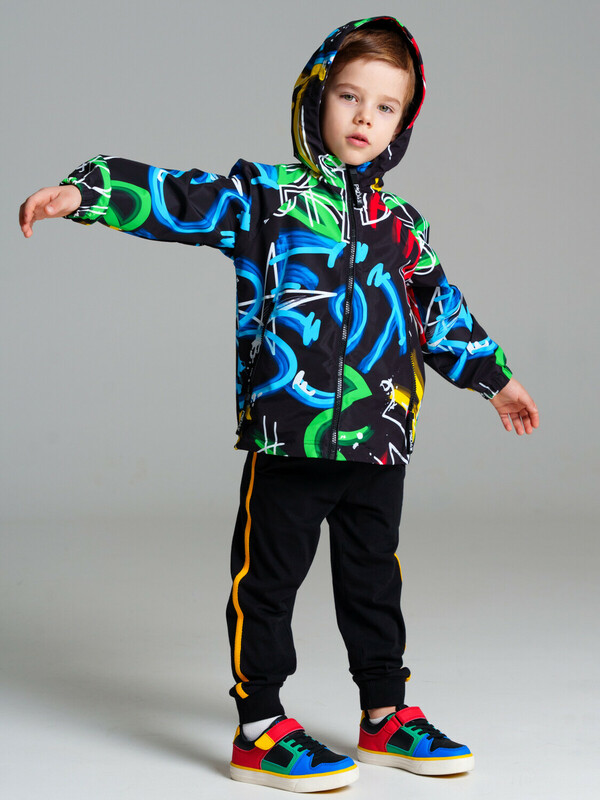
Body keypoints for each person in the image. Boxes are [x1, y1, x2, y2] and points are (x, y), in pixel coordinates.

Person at [19, 16, 539, 794]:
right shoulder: (266, 198)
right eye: (349, 97)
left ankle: (385, 714)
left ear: (403, 123)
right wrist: (89, 193)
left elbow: (440, 311)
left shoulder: (403, 226)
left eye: (385, 107)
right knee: (267, 581)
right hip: (290, 435)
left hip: (378, 440)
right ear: (316, 97)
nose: (364, 117)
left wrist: (495, 378)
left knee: (374, 582)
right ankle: (260, 725)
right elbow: (177, 198)